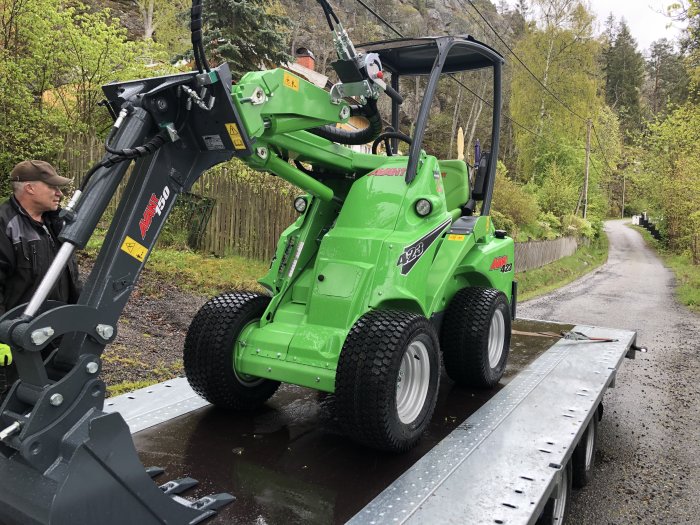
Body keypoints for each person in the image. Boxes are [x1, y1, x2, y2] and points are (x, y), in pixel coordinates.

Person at [0, 160, 81, 397]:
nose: (59, 193)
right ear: (30, 188)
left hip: (57, 333)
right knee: (12, 402)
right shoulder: (6, 226)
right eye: (52, 187)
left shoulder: (57, 224)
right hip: (17, 340)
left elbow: (71, 278)